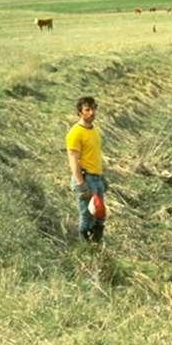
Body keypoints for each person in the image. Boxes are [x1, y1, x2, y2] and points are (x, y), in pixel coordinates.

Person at [66, 96, 107, 242]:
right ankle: (84, 246)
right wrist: (81, 184)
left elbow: (94, 156)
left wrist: (102, 178)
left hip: (97, 178)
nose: (91, 112)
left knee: (100, 216)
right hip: (85, 179)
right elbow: (73, 160)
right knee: (87, 215)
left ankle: (96, 246)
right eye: (87, 110)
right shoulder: (75, 133)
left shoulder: (94, 130)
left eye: (93, 108)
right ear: (79, 112)